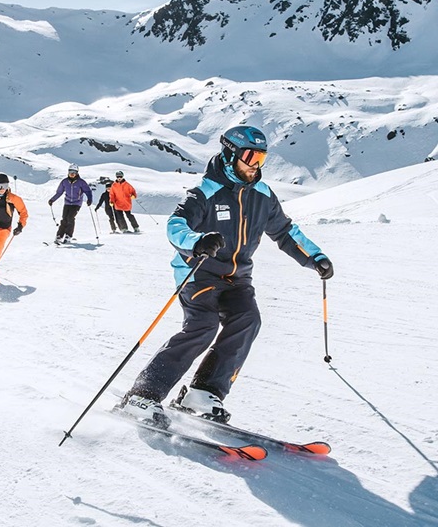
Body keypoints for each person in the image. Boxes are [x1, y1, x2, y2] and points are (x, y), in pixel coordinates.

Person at [119, 126, 334, 427]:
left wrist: (315, 257)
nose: (255, 165)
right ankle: (142, 395)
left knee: (248, 319)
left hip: (237, 278)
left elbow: (285, 232)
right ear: (230, 153)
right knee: (203, 326)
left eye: (261, 158)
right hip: (198, 273)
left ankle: (203, 391)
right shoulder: (206, 191)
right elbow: (175, 225)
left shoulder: (263, 195)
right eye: (250, 156)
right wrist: (196, 242)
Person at [49, 163, 93, 244]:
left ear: (77, 173)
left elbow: (88, 191)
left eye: (74, 172)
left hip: (77, 203)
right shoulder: (64, 182)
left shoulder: (81, 182)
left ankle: (68, 235)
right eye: (70, 172)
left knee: (70, 218)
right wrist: (52, 200)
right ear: (68, 172)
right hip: (67, 203)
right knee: (64, 219)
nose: (72, 174)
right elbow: (59, 192)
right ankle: (59, 236)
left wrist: (89, 199)